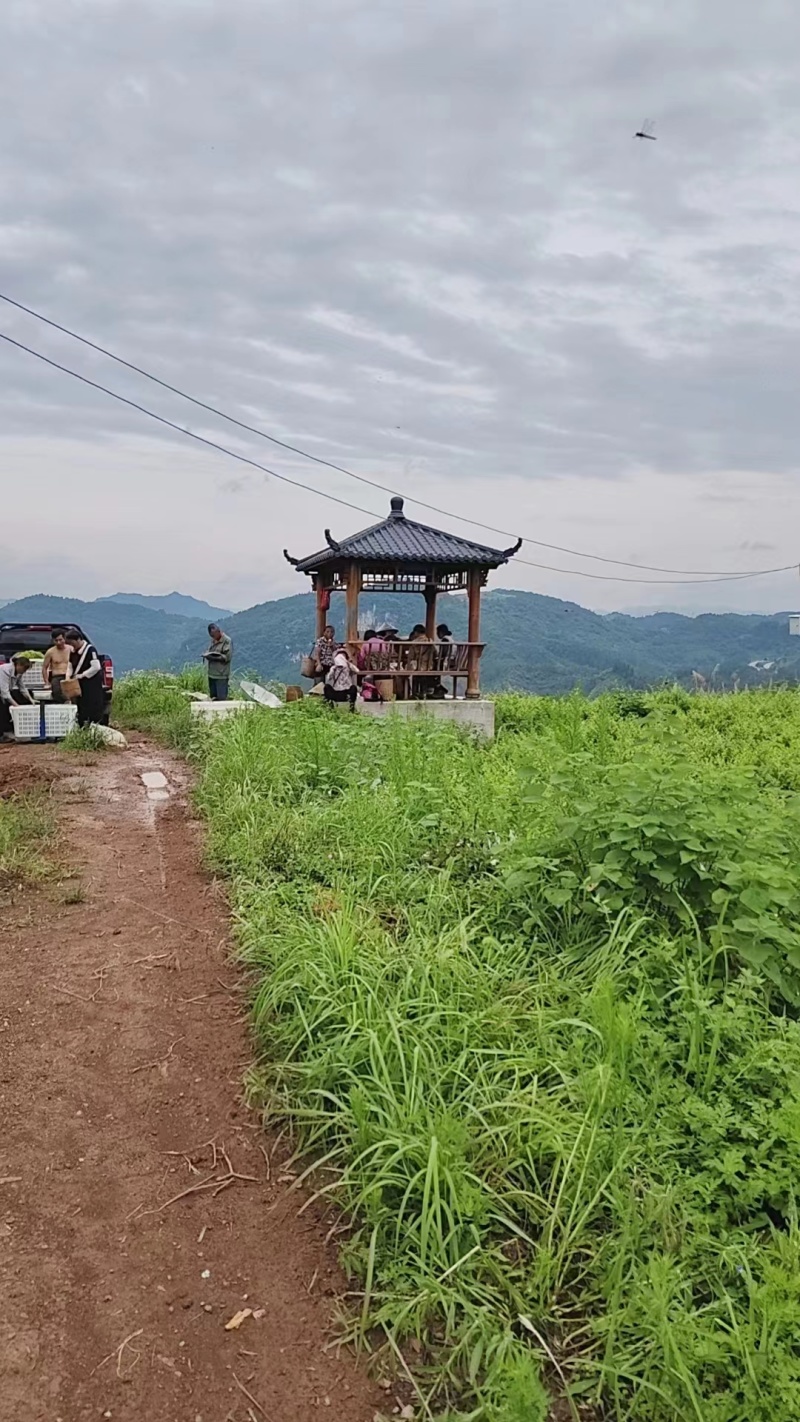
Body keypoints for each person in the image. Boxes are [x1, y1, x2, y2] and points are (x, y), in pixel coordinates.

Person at [66, 632, 106, 726]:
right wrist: (68, 676)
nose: (72, 646)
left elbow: (96, 667)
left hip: (91, 684)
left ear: (78, 640)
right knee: (81, 705)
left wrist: (82, 675)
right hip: (79, 684)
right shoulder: (73, 651)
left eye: (72, 643)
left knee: (92, 704)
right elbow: (70, 665)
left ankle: (94, 724)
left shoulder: (90, 650)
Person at [0, 657, 33, 738]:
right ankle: (4, 732)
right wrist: (16, 706)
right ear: (18, 665)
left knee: (27, 695)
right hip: (2, 691)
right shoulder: (5, 670)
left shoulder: (19, 673)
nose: (24, 671)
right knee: (2, 707)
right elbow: (5, 692)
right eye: (24, 668)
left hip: (6, 691)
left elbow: (22, 688)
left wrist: (31, 699)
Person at [203, 623, 233, 700]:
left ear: (219, 631)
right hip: (212, 674)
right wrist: (206, 655)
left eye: (214, 634)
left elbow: (227, 657)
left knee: (221, 699)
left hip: (221, 675)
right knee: (213, 698)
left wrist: (213, 657)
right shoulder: (213, 640)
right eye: (211, 635)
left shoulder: (226, 641)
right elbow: (209, 650)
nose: (213, 637)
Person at [42, 628, 71, 703]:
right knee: (56, 692)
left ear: (64, 638)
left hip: (70, 675)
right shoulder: (50, 652)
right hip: (57, 676)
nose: (58, 642)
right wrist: (46, 682)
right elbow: (44, 667)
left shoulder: (71, 649)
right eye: (56, 640)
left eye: (60, 640)